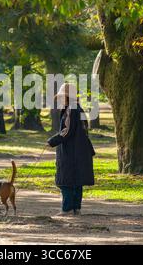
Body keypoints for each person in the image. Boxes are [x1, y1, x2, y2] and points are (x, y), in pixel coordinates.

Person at [47, 83, 95, 216]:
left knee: (66, 181)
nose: (61, 99)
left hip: (72, 152)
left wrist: (52, 141)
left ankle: (67, 208)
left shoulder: (71, 110)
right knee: (76, 181)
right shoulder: (79, 109)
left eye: (63, 96)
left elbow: (67, 132)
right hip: (80, 151)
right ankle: (76, 208)